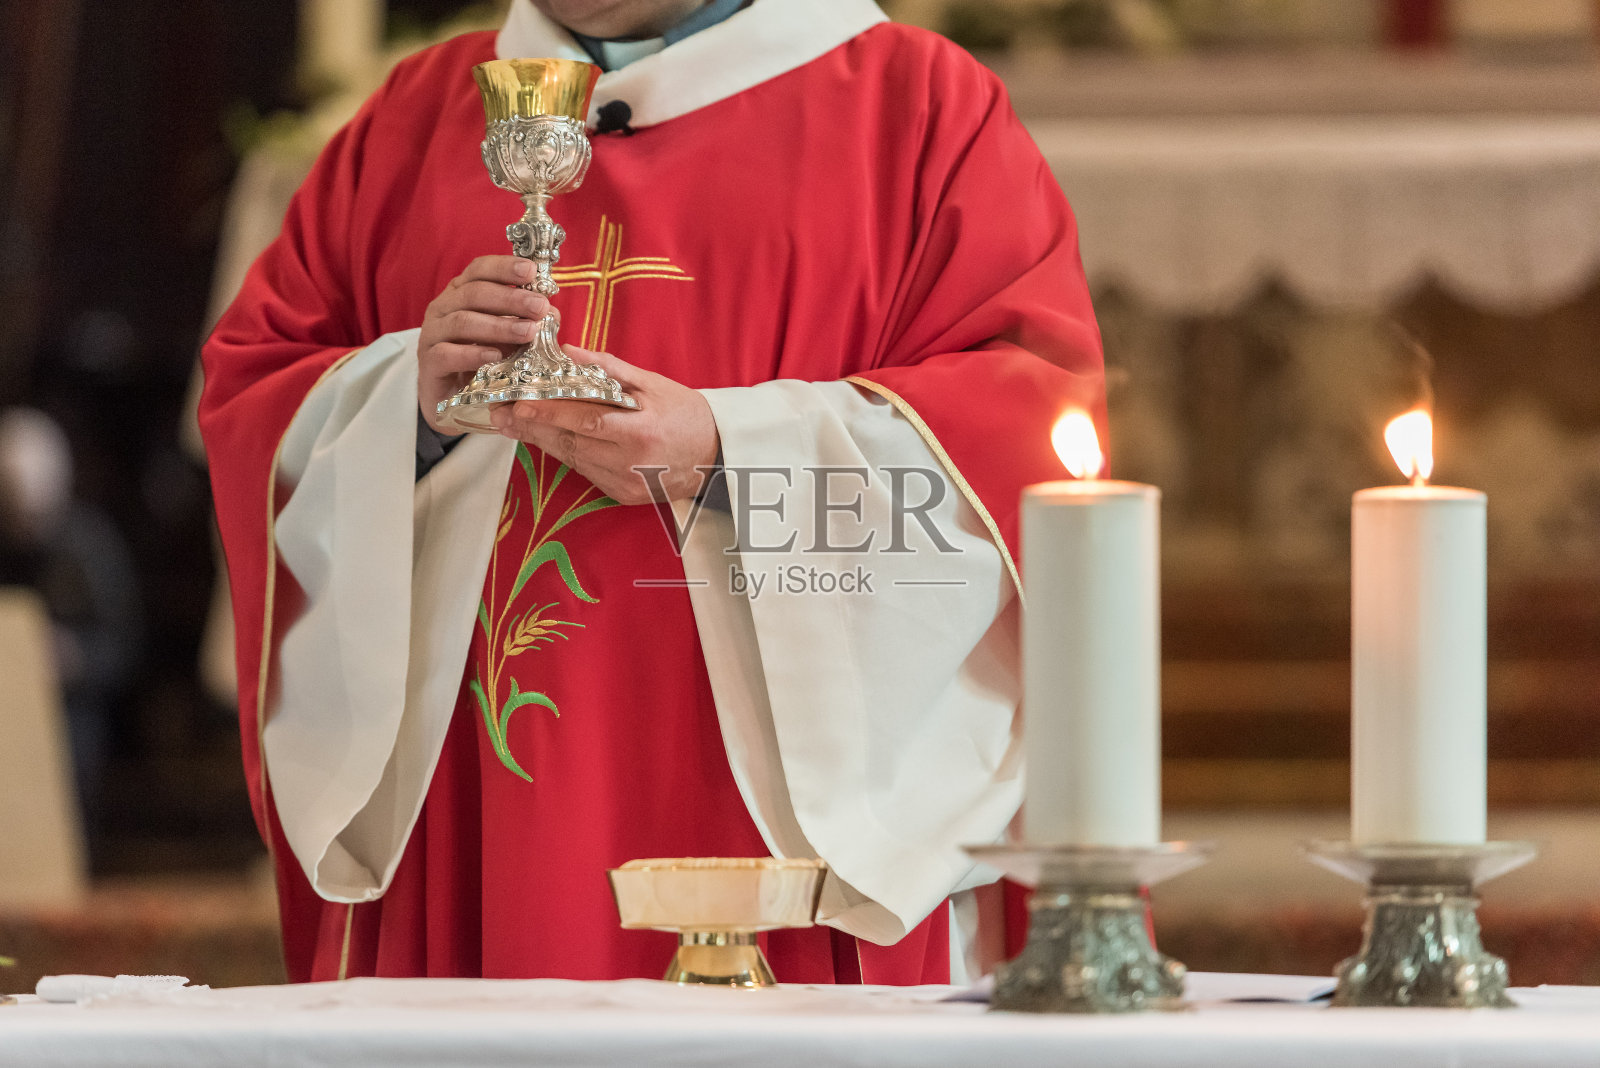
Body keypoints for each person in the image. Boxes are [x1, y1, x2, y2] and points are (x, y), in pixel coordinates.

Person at [200, 0, 1104, 984]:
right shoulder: (415, 116)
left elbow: (1021, 431)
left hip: (765, 812)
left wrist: (724, 455)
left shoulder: (917, 108)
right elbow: (259, 398)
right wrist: (403, 400)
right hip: (481, 809)